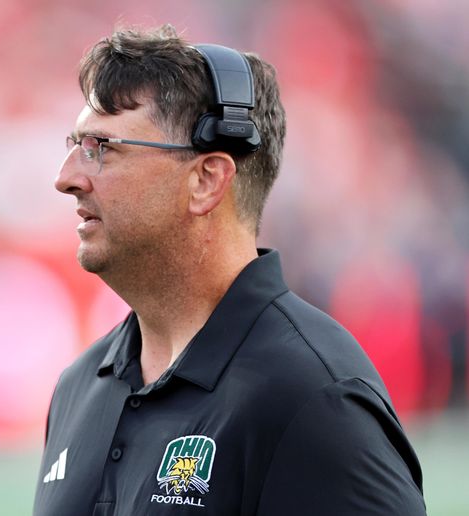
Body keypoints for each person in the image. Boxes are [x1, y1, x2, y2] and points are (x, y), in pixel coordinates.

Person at [34, 25, 426, 516]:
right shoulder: (78, 386)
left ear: (206, 179)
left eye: (101, 147)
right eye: (74, 144)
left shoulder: (311, 397)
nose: (66, 177)